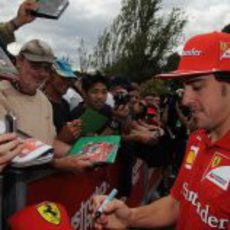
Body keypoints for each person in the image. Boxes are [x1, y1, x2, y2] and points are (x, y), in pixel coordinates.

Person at [94, 31, 230, 229]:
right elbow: (176, 202)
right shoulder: (198, 138)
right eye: (185, 87)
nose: (185, 100)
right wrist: (130, 216)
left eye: (198, 87)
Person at [0, 39, 93, 172]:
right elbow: (10, 152)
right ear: (19, 61)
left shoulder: (44, 100)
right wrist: (56, 163)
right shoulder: (2, 94)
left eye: (47, 68)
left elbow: (50, 143)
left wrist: (86, 155)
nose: (42, 74)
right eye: (35, 66)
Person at [43, 58, 82, 143]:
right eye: (63, 78)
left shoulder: (65, 104)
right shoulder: (40, 103)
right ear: (50, 76)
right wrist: (61, 139)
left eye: (70, 79)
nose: (67, 83)